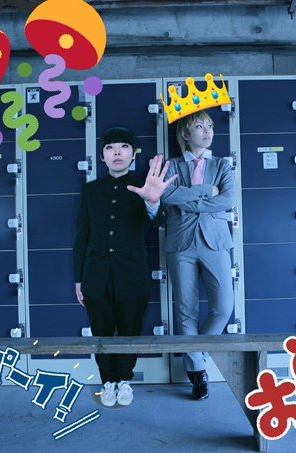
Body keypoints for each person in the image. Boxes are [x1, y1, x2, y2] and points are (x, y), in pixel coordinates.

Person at [73, 126, 176, 407]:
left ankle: (124, 380)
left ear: (133, 154)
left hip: (132, 273)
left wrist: (153, 202)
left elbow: (158, 222)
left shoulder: (145, 187)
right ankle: (107, 381)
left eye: (124, 147)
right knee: (101, 331)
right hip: (96, 273)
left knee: (131, 329)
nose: (117, 152)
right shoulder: (91, 190)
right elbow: (81, 235)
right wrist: (79, 278)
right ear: (102, 157)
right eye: (109, 148)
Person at [161, 111, 234, 400]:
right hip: (181, 243)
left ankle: (198, 353)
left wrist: (188, 200)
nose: (207, 131)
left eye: (210, 126)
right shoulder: (171, 165)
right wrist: (206, 192)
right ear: (185, 134)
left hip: (215, 242)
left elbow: (228, 199)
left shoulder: (222, 164)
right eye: (200, 126)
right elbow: (166, 196)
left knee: (223, 307)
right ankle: (198, 372)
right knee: (185, 310)